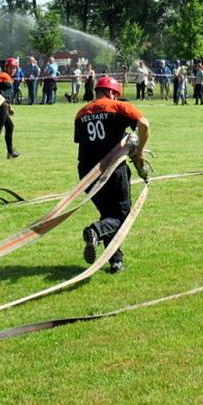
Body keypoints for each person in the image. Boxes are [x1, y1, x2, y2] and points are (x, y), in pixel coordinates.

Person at [74, 76, 149, 273]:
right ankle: (96, 231)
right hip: (112, 168)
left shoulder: (81, 113)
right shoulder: (118, 107)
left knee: (108, 214)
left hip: (86, 172)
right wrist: (139, 152)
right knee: (121, 214)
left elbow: (83, 141)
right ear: (113, 92)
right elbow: (144, 124)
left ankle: (115, 261)